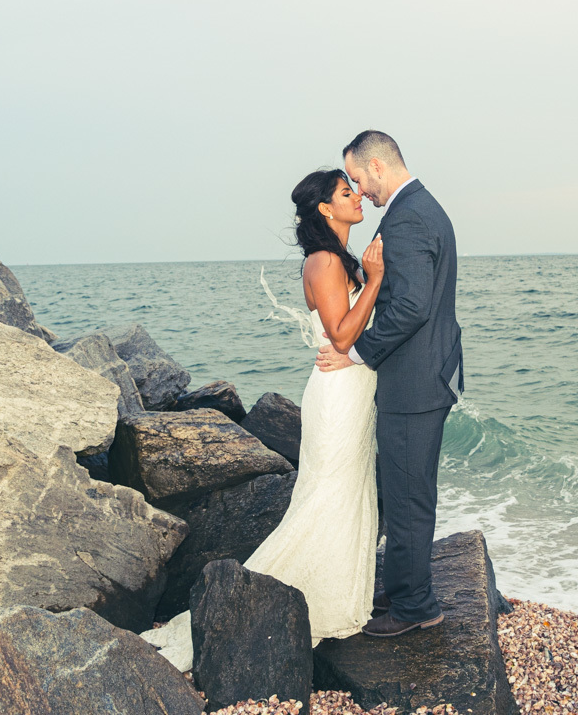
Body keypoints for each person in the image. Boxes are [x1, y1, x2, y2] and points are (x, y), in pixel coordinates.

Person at [141, 169, 385, 669]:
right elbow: (341, 337)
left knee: (348, 491)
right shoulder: (322, 262)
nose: (357, 197)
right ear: (325, 209)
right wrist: (377, 279)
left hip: (356, 391)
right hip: (338, 395)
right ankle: (276, 604)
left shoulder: (343, 261)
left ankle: (338, 599)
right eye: (346, 193)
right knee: (327, 495)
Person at [317, 130, 464, 637]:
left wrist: (355, 352)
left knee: (406, 496)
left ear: (377, 166)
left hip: (414, 380)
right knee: (405, 489)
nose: (361, 191)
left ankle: (416, 607)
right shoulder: (423, 208)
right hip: (428, 372)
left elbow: (411, 306)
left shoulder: (407, 219)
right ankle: (405, 585)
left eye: (358, 178)